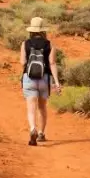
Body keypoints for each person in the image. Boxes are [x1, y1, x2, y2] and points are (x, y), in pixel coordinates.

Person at [19, 17, 61, 146]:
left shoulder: (25, 43)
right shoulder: (50, 44)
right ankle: (41, 133)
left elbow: (23, 62)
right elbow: (52, 63)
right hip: (45, 79)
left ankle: (33, 129)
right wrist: (57, 82)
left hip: (29, 78)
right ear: (43, 30)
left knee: (31, 108)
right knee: (42, 107)